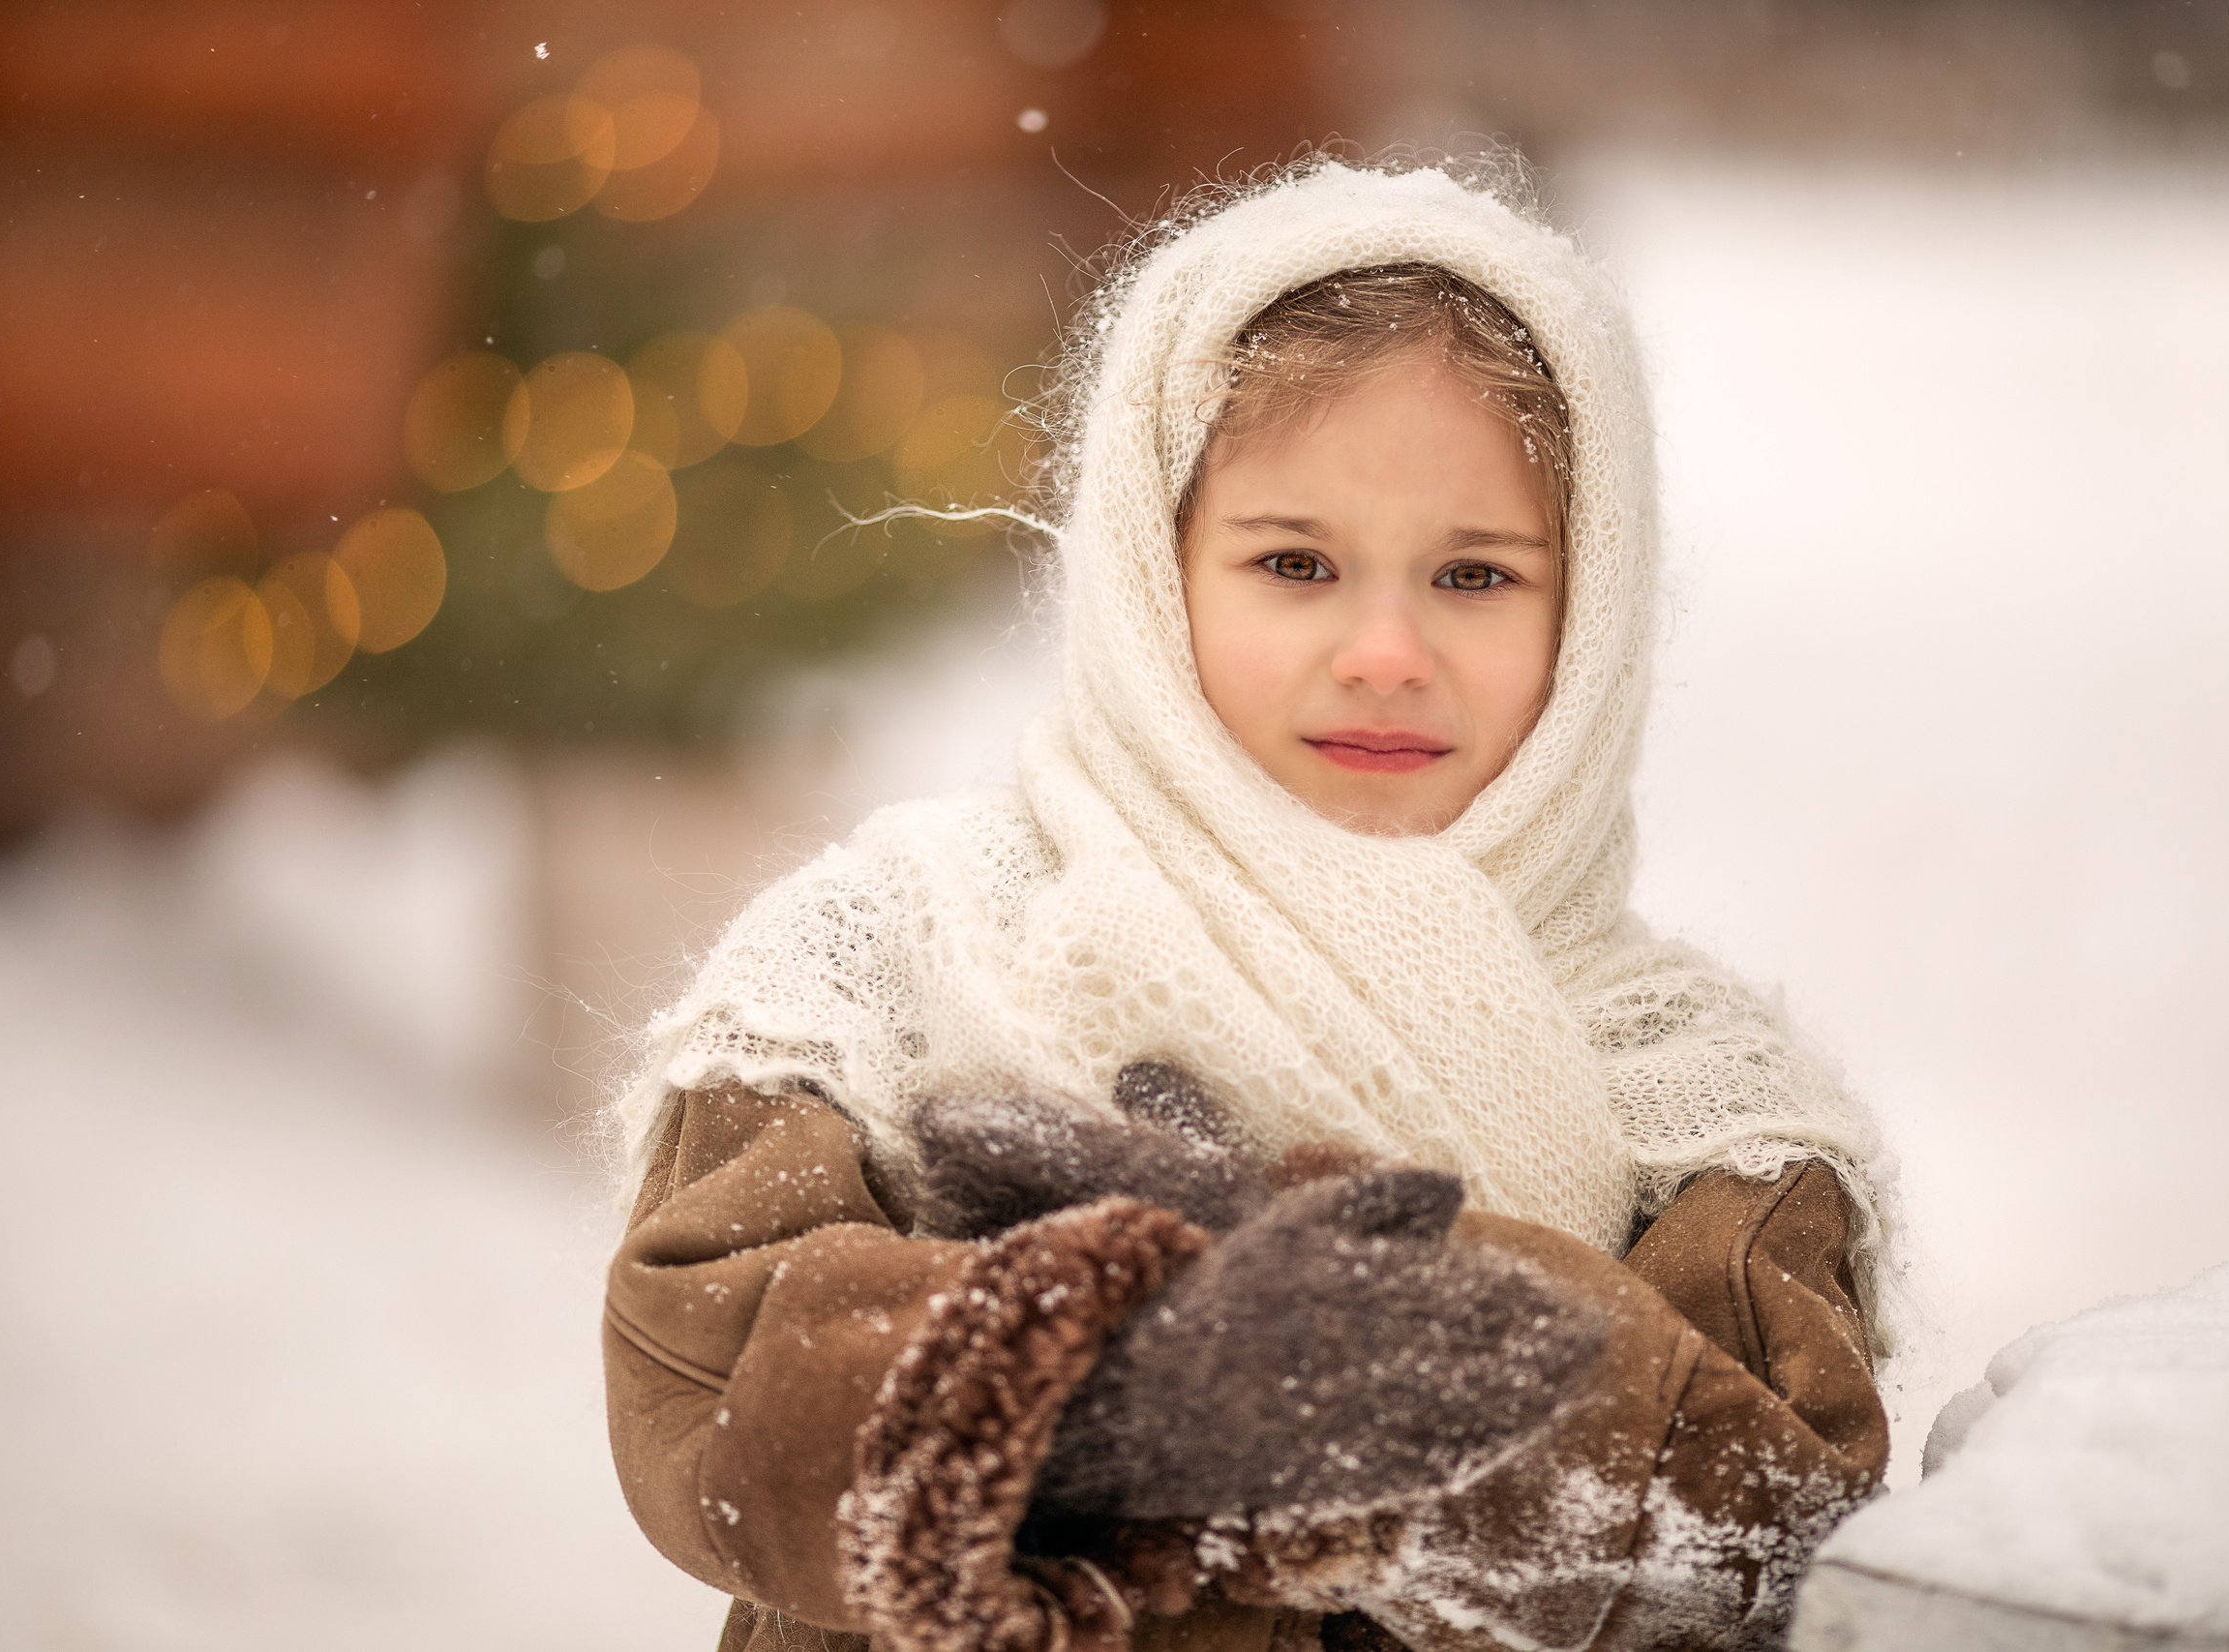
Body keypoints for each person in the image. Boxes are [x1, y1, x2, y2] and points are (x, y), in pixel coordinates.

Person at [603, 157, 1898, 1652]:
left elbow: (1766, 1540)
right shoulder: (890, 950)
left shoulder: (1696, 1088)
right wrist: (1091, 1384)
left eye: (1475, 577)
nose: (1385, 650)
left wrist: (1386, 1375)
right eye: (1296, 564)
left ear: (1593, 606)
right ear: (1156, 574)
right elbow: (699, 1372)